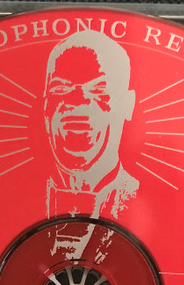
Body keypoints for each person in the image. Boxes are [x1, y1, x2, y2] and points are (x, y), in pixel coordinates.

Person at [43, 30, 139, 261]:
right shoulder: (1, 202)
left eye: (98, 90)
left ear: (128, 105)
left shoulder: (147, 203)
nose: (77, 101)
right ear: (44, 105)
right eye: (60, 89)